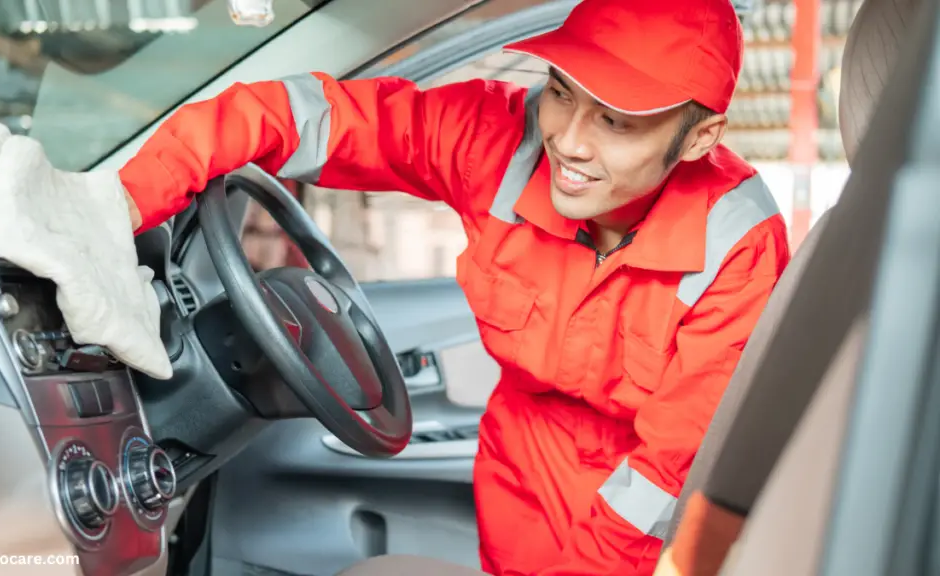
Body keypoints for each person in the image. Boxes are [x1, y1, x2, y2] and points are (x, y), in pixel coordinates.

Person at [118, 0, 790, 573]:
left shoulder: (738, 245)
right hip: (514, 488)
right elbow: (312, 117)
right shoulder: (496, 138)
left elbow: (670, 468)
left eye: (615, 120)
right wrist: (119, 206)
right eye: (560, 90)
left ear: (701, 137)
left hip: (637, 536)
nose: (569, 141)